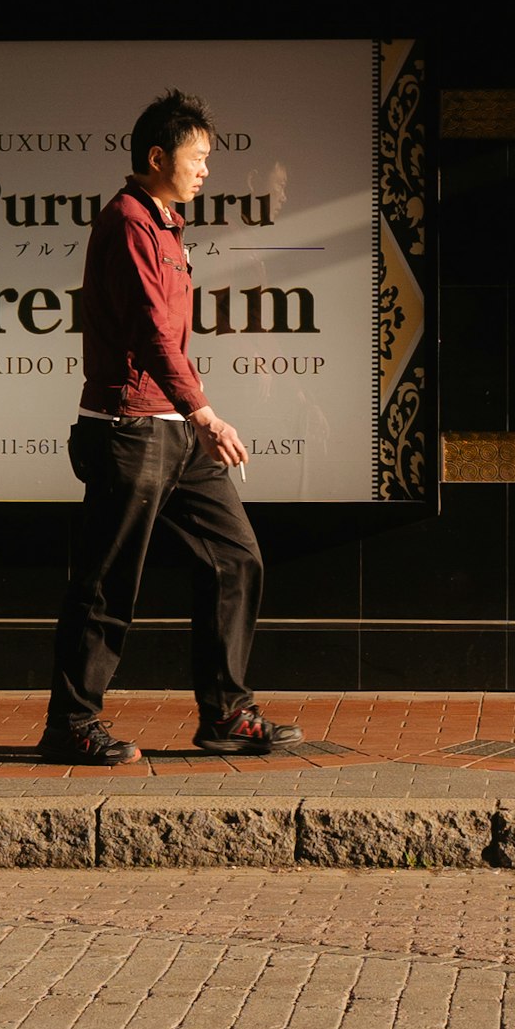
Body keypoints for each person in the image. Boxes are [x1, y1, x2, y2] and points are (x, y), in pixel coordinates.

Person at [40, 89, 304, 766]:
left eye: (210, 159)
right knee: (107, 582)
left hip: (173, 430)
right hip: (131, 428)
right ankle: (71, 723)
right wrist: (205, 412)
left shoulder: (165, 225)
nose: (206, 169)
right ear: (157, 157)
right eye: (198, 157)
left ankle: (227, 714)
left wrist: (190, 415)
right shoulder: (130, 222)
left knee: (234, 556)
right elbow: (155, 335)